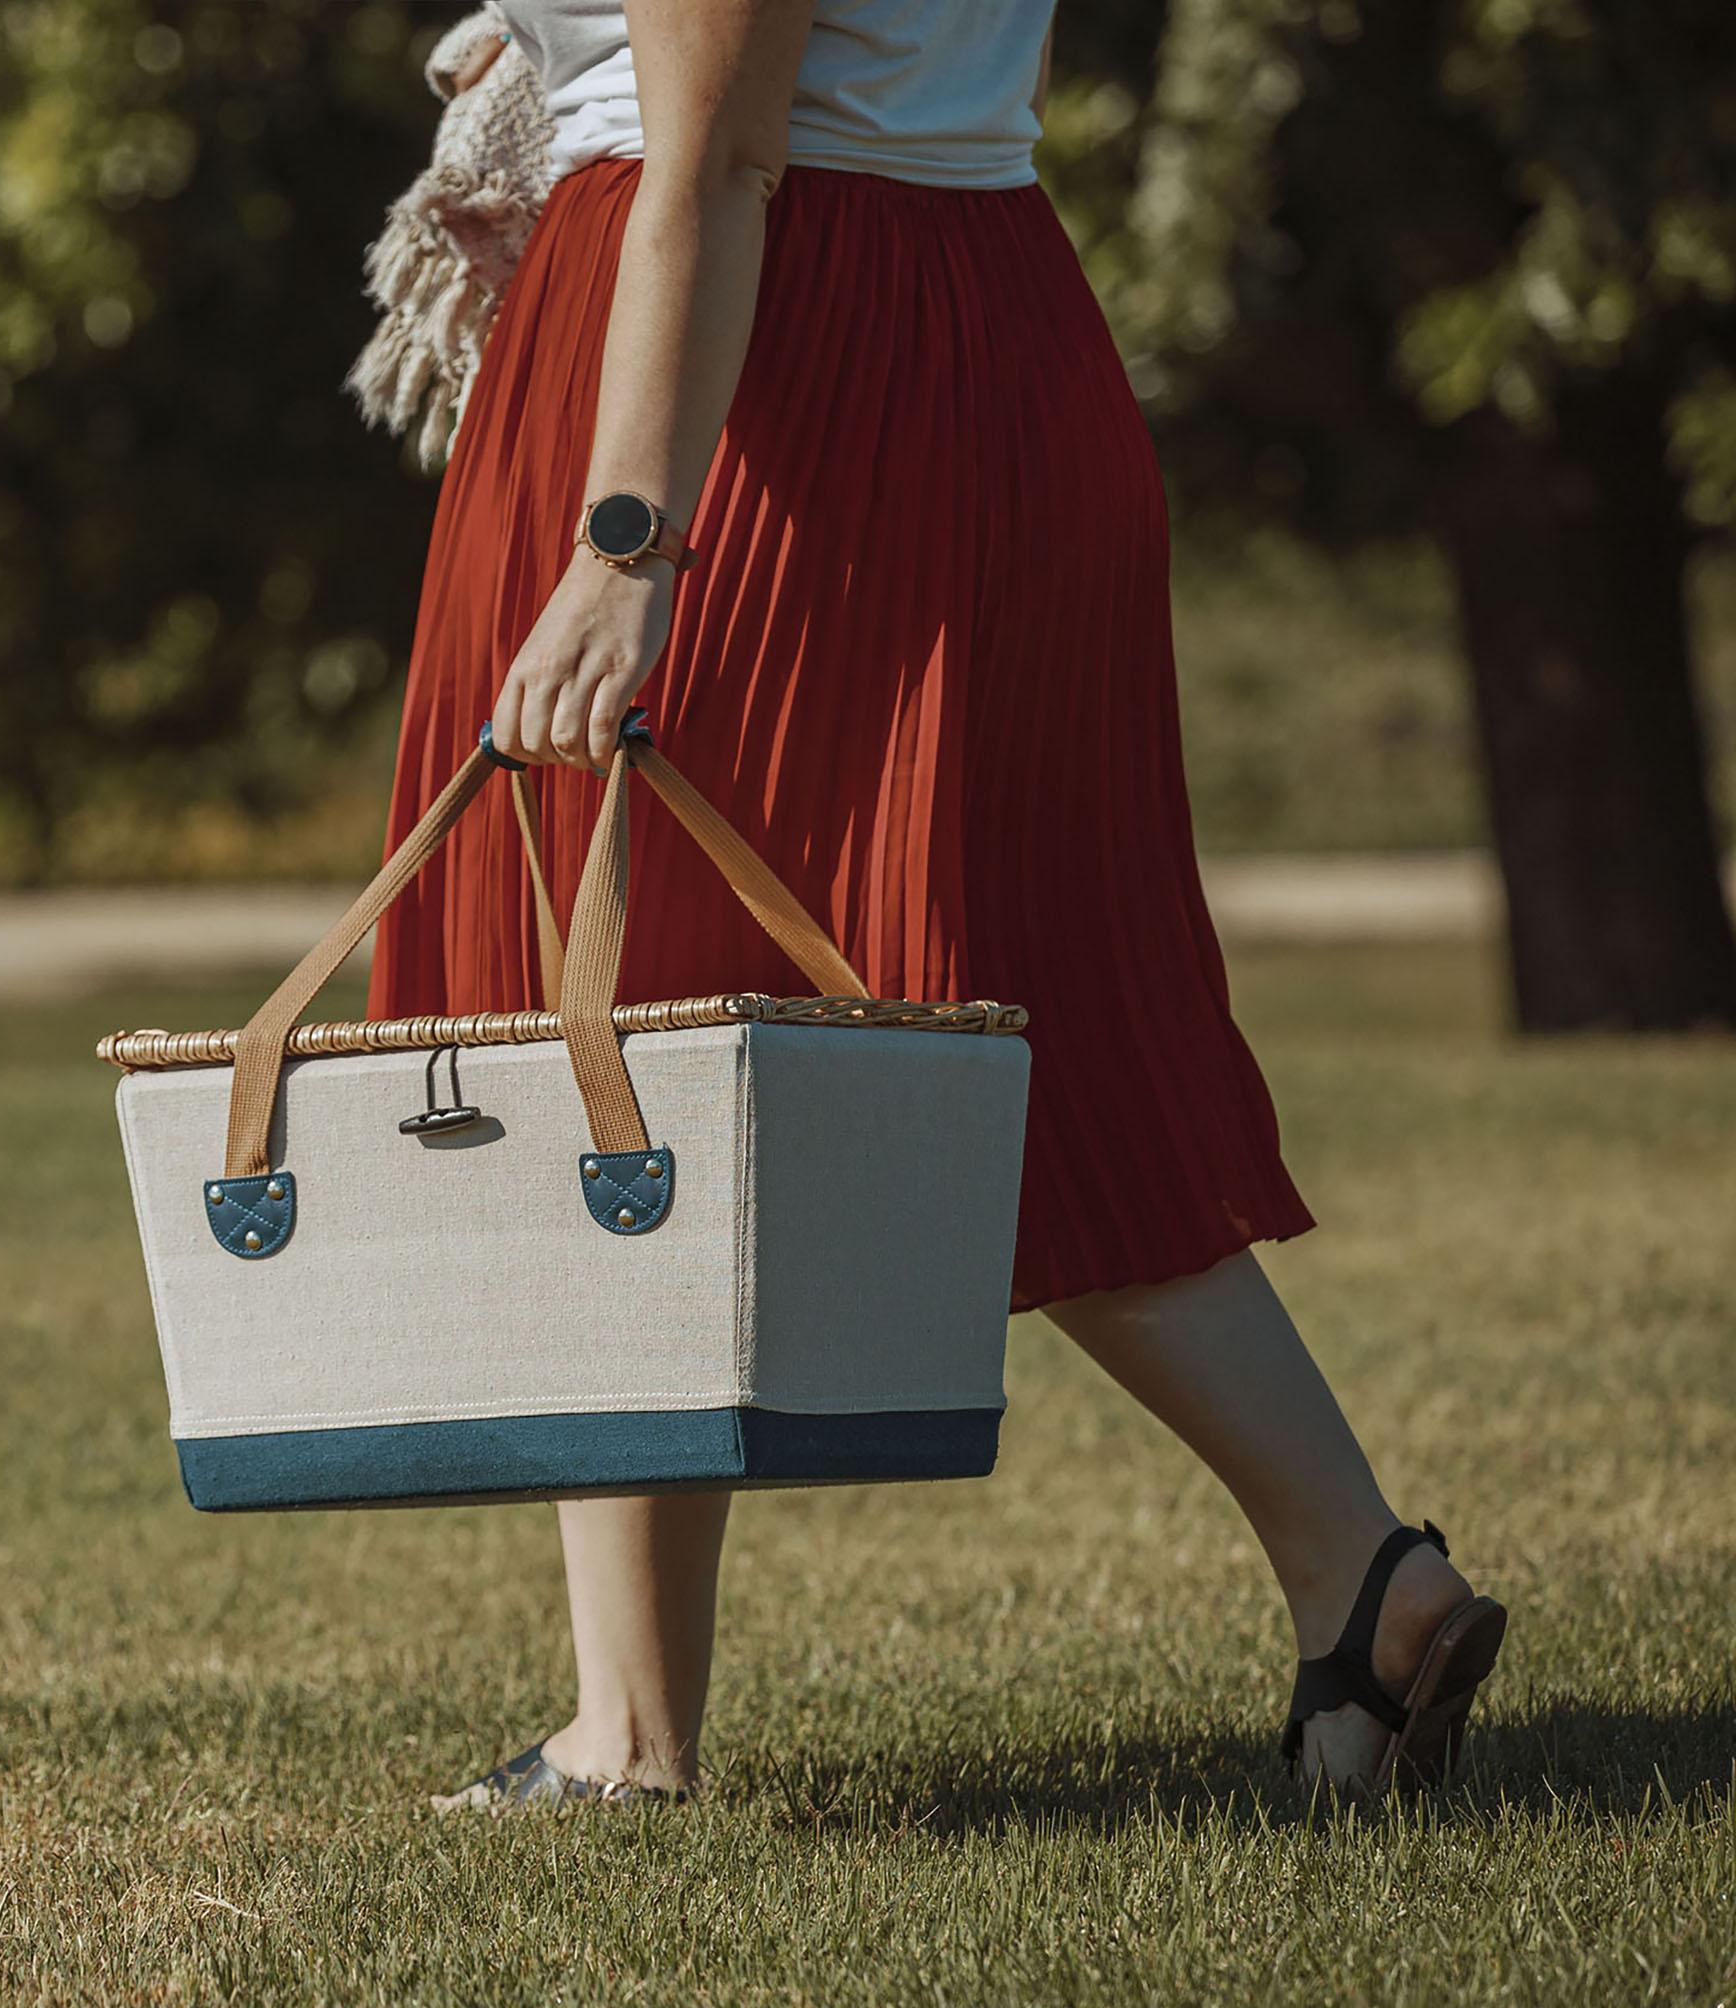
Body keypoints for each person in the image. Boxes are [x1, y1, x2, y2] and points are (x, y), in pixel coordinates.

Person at [381, 0, 1509, 1808]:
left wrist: (623, 544)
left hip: (772, 389)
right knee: (992, 1029)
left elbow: (725, 153)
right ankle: (1360, 1576)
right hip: (961, 319)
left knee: (616, 1015)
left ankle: (631, 1740)